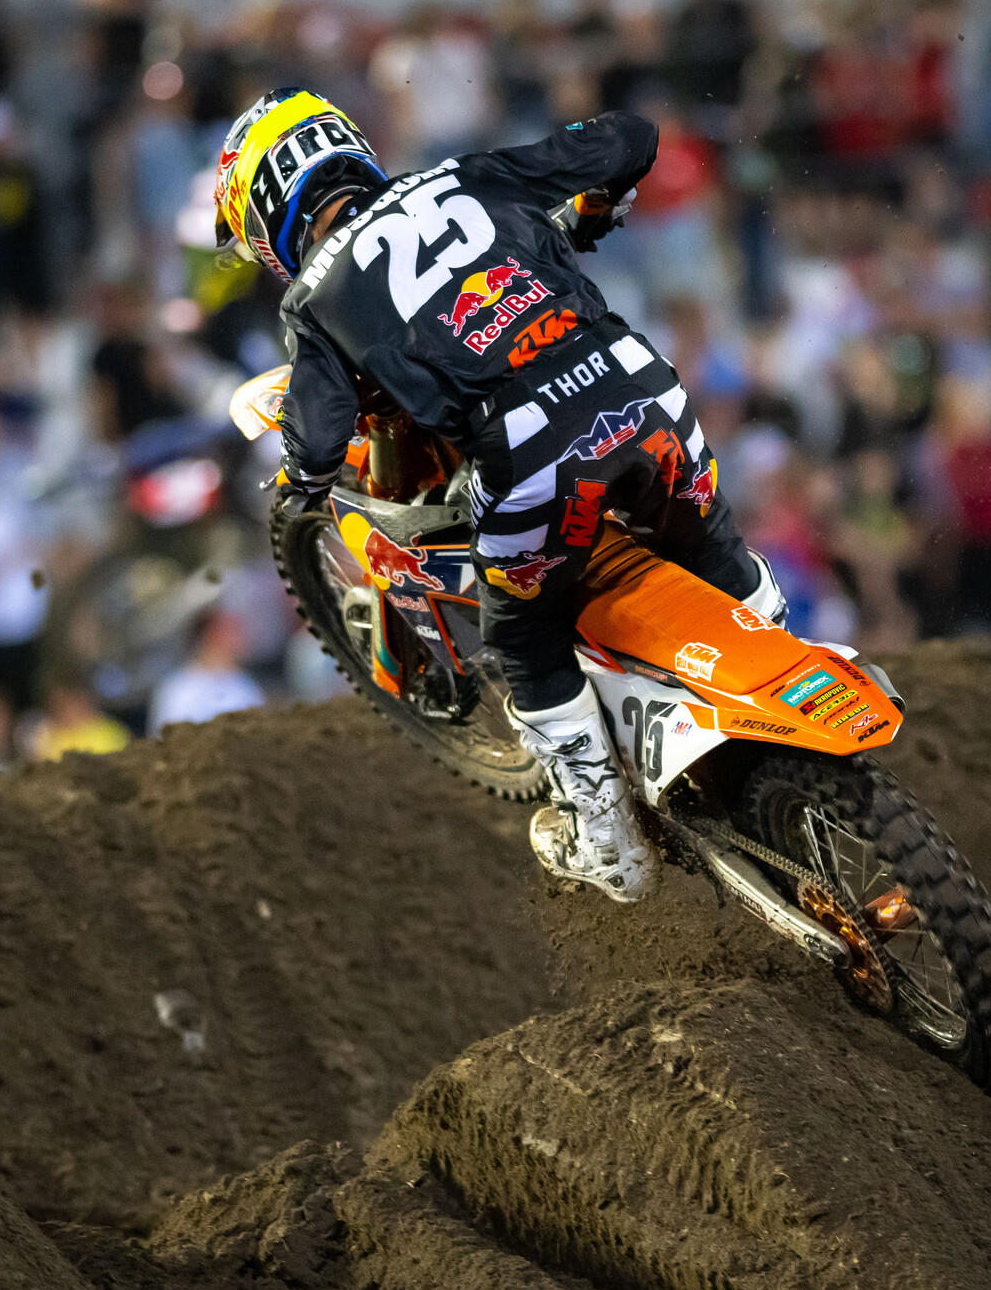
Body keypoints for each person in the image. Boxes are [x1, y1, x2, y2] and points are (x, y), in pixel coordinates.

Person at [216, 88, 782, 902]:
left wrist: (303, 480)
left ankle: (610, 839)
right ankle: (778, 727)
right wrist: (596, 206)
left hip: (534, 455)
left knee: (521, 638)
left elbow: (315, 434)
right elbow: (630, 137)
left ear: (268, 209)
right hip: (645, 395)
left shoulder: (313, 298)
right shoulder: (468, 175)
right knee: (718, 553)